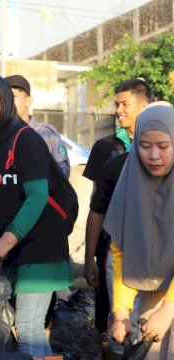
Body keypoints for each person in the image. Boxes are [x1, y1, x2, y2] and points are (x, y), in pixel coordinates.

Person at [0, 74, 72, 358]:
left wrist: (5, 242)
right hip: (11, 248)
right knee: (16, 329)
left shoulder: (26, 139)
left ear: (5, 99)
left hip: (41, 245)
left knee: (28, 329)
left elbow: (37, 197)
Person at [83, 78, 153, 354]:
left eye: (126, 104)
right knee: (121, 329)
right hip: (121, 254)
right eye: (117, 104)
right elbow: (96, 209)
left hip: (161, 259)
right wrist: (90, 257)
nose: (118, 111)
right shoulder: (110, 155)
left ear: (146, 106)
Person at [105, 105, 174, 359]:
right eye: (145, 146)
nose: (154, 155)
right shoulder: (132, 183)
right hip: (150, 291)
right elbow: (121, 248)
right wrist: (121, 311)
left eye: (163, 146)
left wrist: (168, 309)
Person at [5, 74, 70, 177]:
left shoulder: (46, 134)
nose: (7, 103)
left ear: (28, 101)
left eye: (12, 97)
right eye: (4, 98)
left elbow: (62, 175)